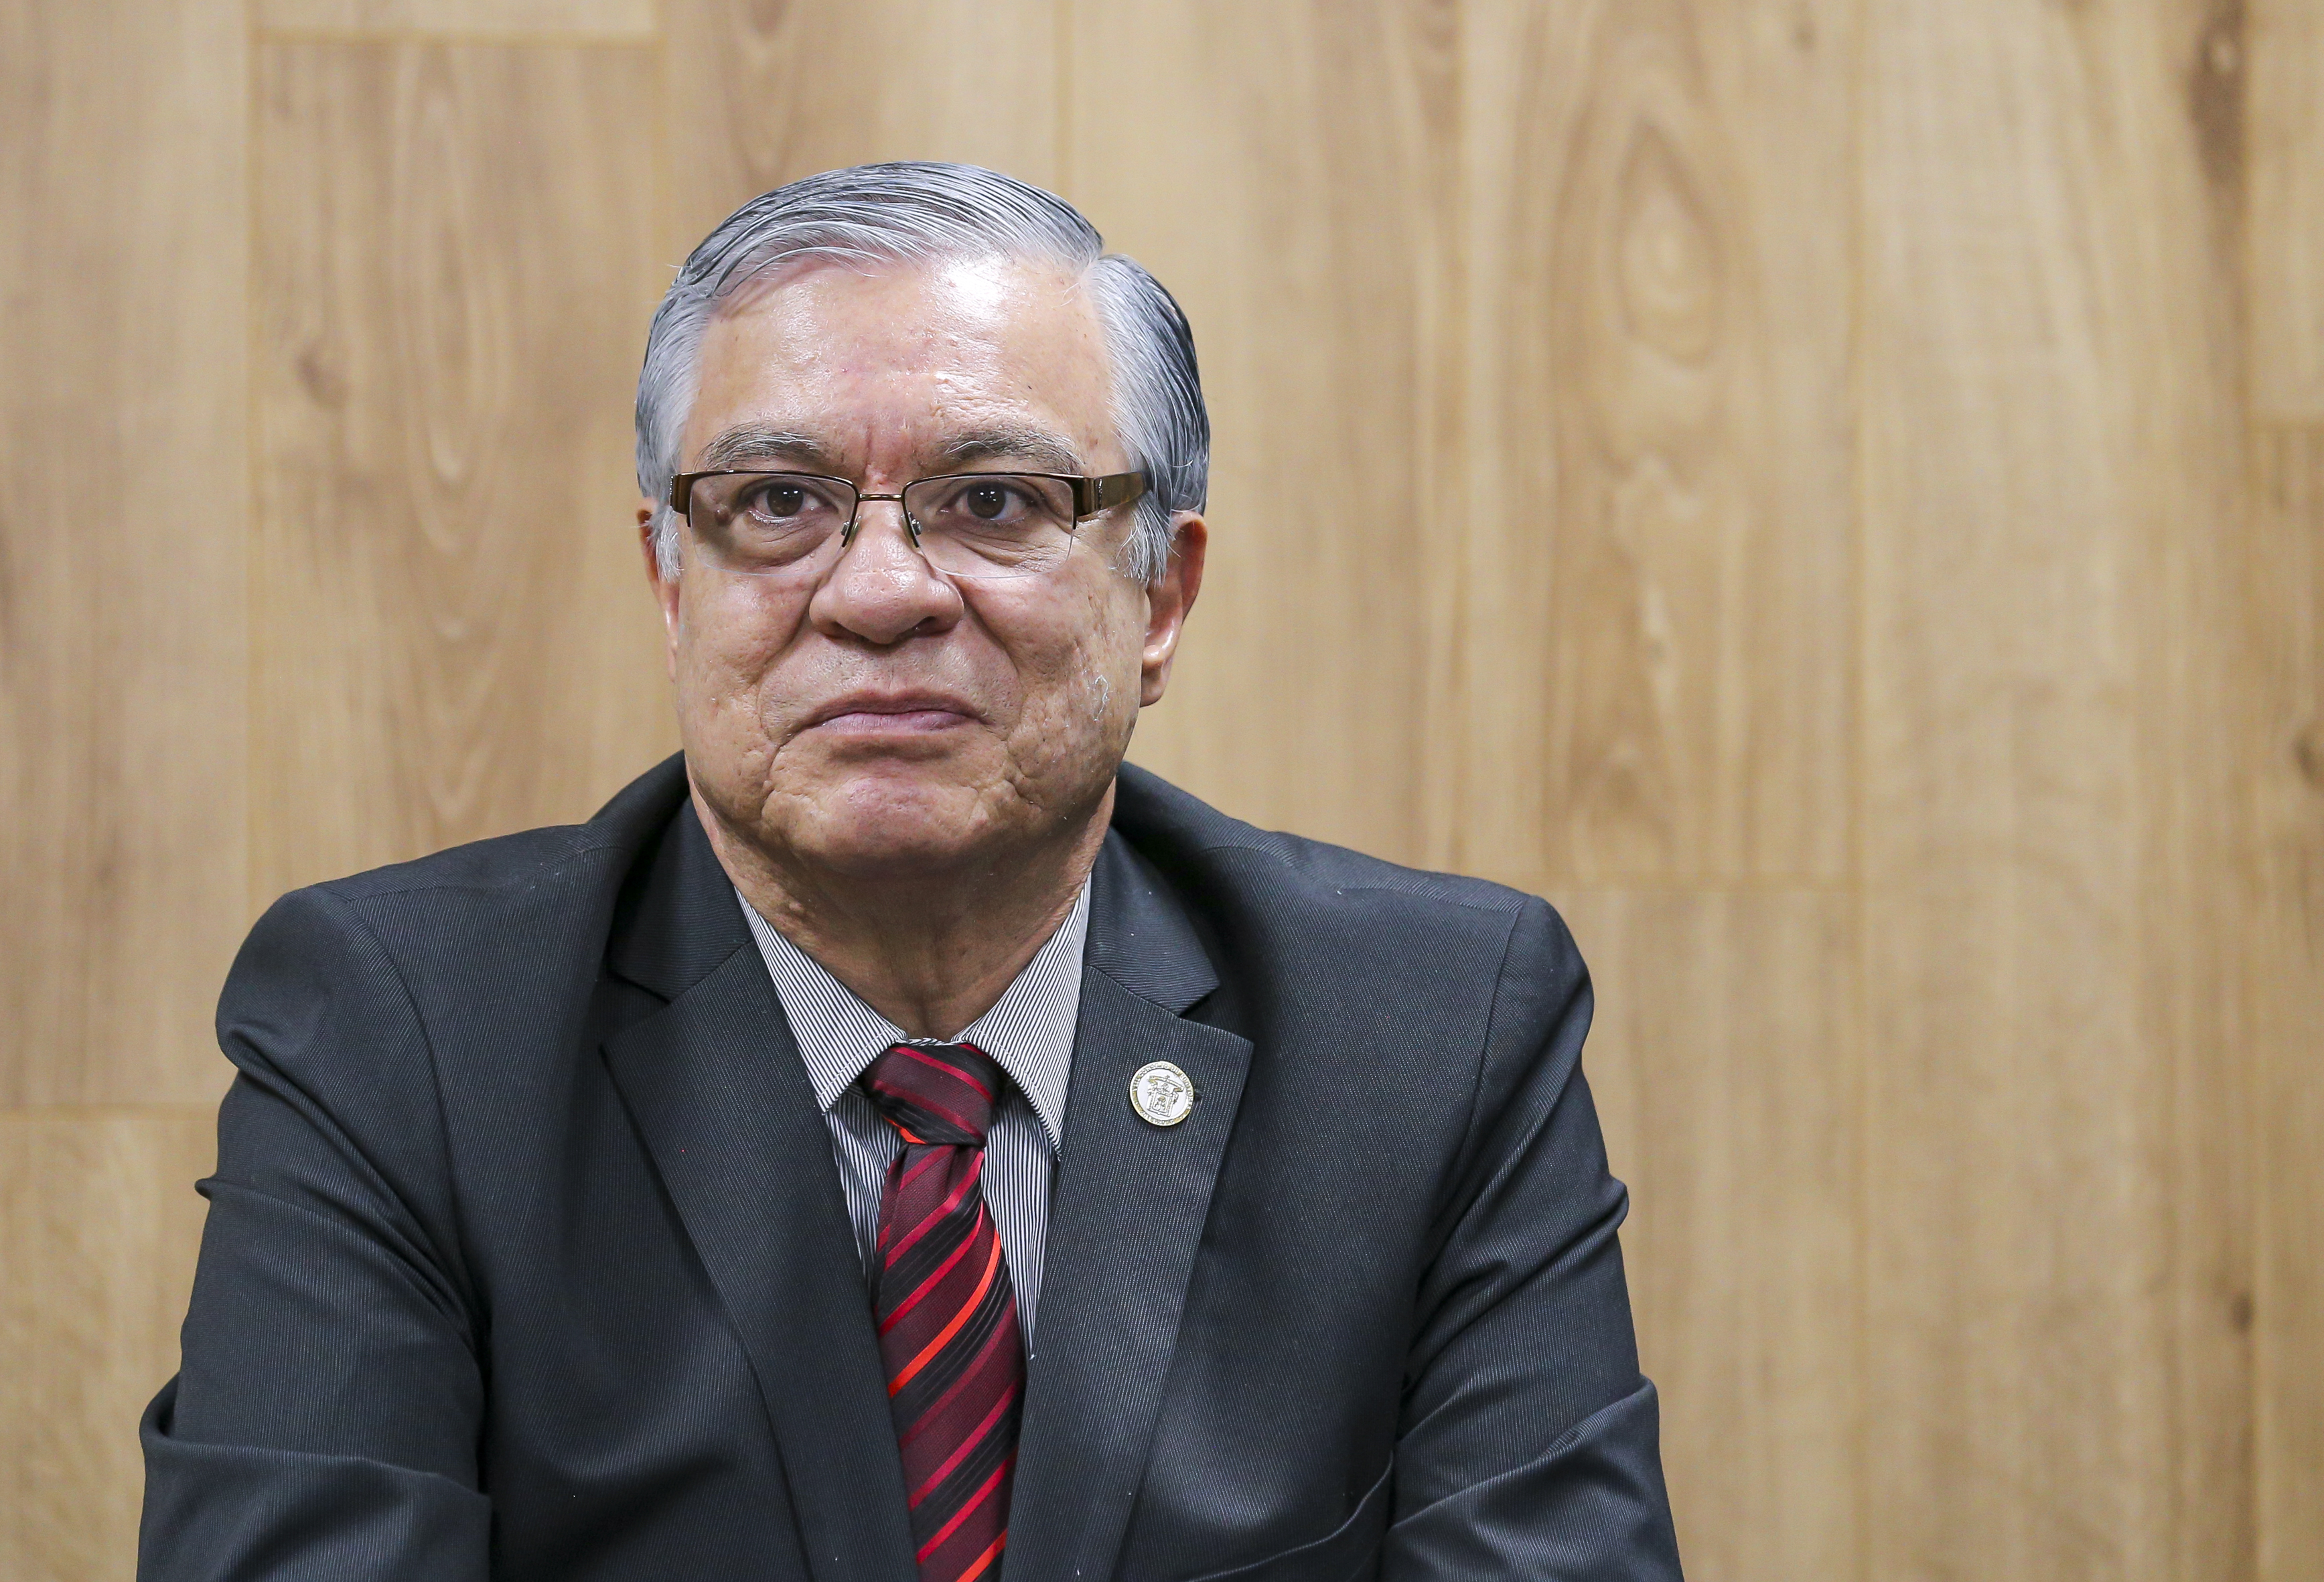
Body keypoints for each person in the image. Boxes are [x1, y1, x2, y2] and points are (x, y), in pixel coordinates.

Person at [139, 163, 1684, 1582]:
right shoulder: (404, 1034)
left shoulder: (1431, 1031)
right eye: (777, 502)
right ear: (671, 584)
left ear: (1160, 594)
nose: (878, 591)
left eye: (994, 500)